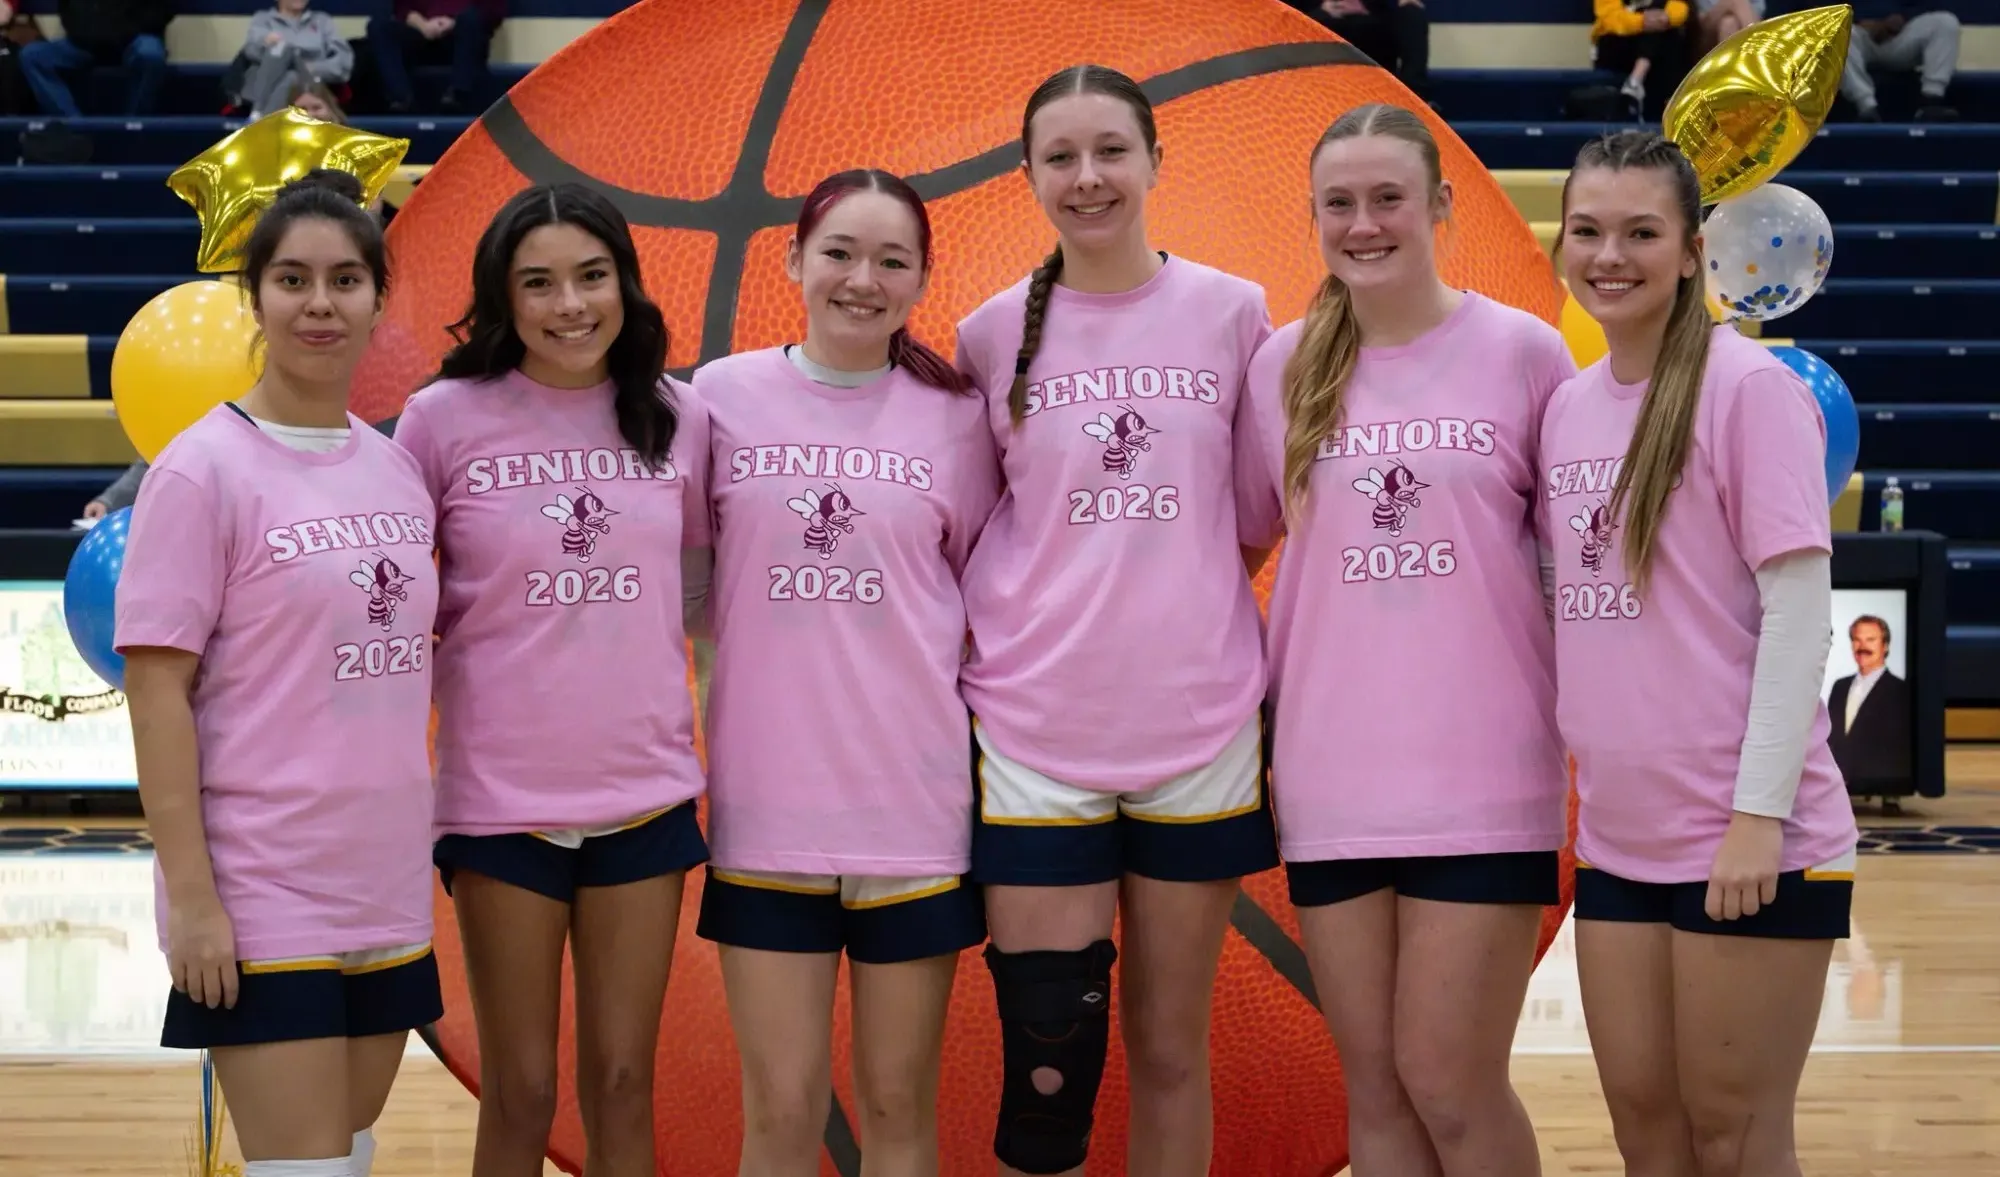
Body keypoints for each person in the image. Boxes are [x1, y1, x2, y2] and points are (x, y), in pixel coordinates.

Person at [951, 62, 1279, 1177]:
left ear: (1152, 161)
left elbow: (1245, 521)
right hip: (1037, 729)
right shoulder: (989, 334)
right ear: (1029, 175)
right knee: (1049, 1061)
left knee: (1169, 1048)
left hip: (1196, 727)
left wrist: (1160, 601)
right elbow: (970, 529)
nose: (1086, 178)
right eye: (1059, 157)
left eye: (1109, 152)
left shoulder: (1234, 313)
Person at [1234, 102, 1573, 1177]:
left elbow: (1580, 567)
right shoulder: (1282, 368)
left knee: (1450, 1082)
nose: (1364, 223)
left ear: (1437, 206)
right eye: (1339, 203)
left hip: (1482, 775)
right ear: (1313, 219)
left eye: (1388, 199)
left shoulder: (1522, 352)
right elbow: (1219, 550)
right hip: (1331, 779)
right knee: (1373, 1094)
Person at [1541, 129, 1860, 1177]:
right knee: (1648, 1135)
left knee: (1733, 1139)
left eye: (1640, 231)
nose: (1609, 255)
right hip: (1621, 843)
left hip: (1748, 839)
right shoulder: (1565, 411)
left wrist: (1754, 816)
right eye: (1586, 229)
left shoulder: (1745, 388)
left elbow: (1799, 612)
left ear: (1690, 251)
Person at [113, 168, 440, 1177]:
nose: (319, 302)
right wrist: (196, 899)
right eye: (292, 279)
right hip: (264, 886)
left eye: (345, 279)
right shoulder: (201, 469)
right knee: (300, 1170)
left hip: (383, 882)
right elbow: (157, 693)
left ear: (380, 297)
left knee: (342, 1157)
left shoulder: (393, 467)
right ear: (253, 299)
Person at [390, 182, 711, 1177]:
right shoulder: (440, 421)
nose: (569, 304)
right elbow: (392, 595)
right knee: (521, 1087)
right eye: (538, 283)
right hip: (499, 802)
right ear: (503, 297)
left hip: (643, 793)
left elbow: (695, 584)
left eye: (589, 276)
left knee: (621, 1080)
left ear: (624, 283)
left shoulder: (676, 415)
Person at [691, 167, 998, 1177]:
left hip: (908, 809)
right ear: (791, 260)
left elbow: (979, 605)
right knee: (778, 1107)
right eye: (838, 253)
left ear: (918, 281)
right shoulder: (719, 399)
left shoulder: (957, 419)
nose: (861, 278)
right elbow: (690, 584)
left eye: (890, 260)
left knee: (897, 1101)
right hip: (768, 809)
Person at [17, 0, 173, 117]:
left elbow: (161, 11)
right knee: (33, 56)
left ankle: (134, 125)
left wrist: (119, 31)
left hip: (133, 40)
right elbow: (68, 11)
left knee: (151, 55)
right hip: (85, 43)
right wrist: (89, 34)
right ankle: (75, 128)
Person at [1827, 614, 1913, 794]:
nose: (1862, 646)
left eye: (1870, 640)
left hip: (1879, 780)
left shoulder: (1901, 690)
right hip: (1835, 787)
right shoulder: (1840, 687)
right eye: (1857, 640)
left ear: (1885, 645)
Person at [363, 0, 499, 113]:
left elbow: (492, 11)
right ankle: (401, 99)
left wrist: (453, 22)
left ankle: (458, 94)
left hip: (461, 34)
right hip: (421, 32)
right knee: (378, 26)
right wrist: (423, 25)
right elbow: (402, 8)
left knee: (470, 20)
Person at [229, 0, 351, 117]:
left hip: (311, 85)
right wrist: (265, 44)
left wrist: (311, 67)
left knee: (286, 53)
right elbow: (250, 52)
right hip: (273, 80)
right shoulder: (262, 19)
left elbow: (343, 64)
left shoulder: (323, 21)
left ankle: (259, 113)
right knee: (289, 71)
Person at [1841, 2, 1961, 122]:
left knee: (1946, 22)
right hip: (1858, 34)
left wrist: (1904, 17)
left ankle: (1931, 101)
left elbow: (1934, 6)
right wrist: (1858, 20)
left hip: (1901, 33)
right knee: (1837, 31)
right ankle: (1866, 109)